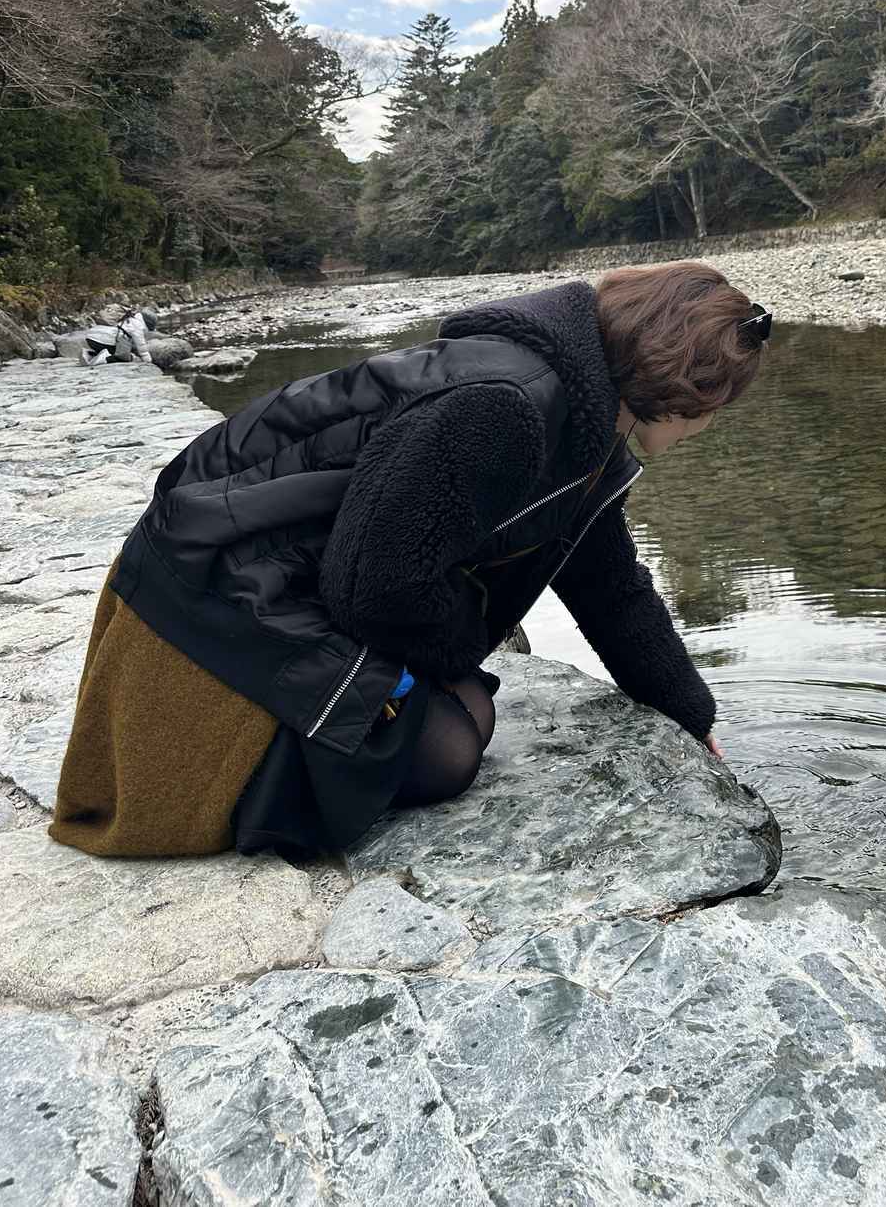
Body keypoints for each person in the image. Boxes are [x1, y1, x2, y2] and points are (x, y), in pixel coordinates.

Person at [49, 262, 772, 861]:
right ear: (687, 391)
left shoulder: (588, 422)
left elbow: (610, 586)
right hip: (221, 579)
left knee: (464, 710)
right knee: (451, 748)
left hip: (311, 574)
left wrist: (689, 715)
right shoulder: (503, 406)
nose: (712, 424)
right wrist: (454, 649)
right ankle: (236, 787)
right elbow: (378, 588)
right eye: (719, 405)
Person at [79, 308, 157, 366]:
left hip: (93, 337)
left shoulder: (129, 319)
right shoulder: (138, 326)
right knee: (123, 358)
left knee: (117, 349)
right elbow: (141, 347)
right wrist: (148, 361)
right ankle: (102, 359)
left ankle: (89, 355)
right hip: (103, 340)